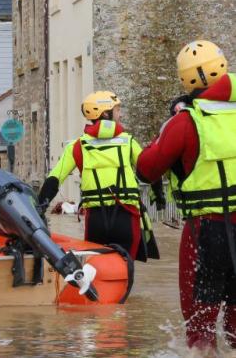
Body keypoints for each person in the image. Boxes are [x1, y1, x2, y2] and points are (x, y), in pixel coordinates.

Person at [136, 40, 236, 351]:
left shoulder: (184, 122)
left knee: (200, 322)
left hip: (206, 231)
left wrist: (171, 122)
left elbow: (146, 169)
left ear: (186, 79)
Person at [37, 91, 162, 262]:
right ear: (105, 113)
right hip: (126, 217)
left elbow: (55, 178)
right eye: (117, 110)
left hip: (96, 219)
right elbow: (149, 168)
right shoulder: (128, 141)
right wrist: (159, 194)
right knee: (125, 268)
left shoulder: (77, 146)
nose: (121, 113)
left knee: (96, 268)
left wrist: (39, 208)